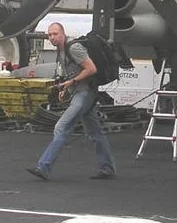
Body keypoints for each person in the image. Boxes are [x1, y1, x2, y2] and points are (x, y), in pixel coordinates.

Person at [26, 22, 116, 181]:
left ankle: (44, 166)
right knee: (95, 132)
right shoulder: (61, 51)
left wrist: (72, 82)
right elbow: (73, 72)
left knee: (61, 127)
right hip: (79, 93)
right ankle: (107, 168)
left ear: (63, 34)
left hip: (85, 94)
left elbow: (91, 69)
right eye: (49, 35)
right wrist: (66, 89)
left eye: (55, 34)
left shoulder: (73, 48)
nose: (52, 37)